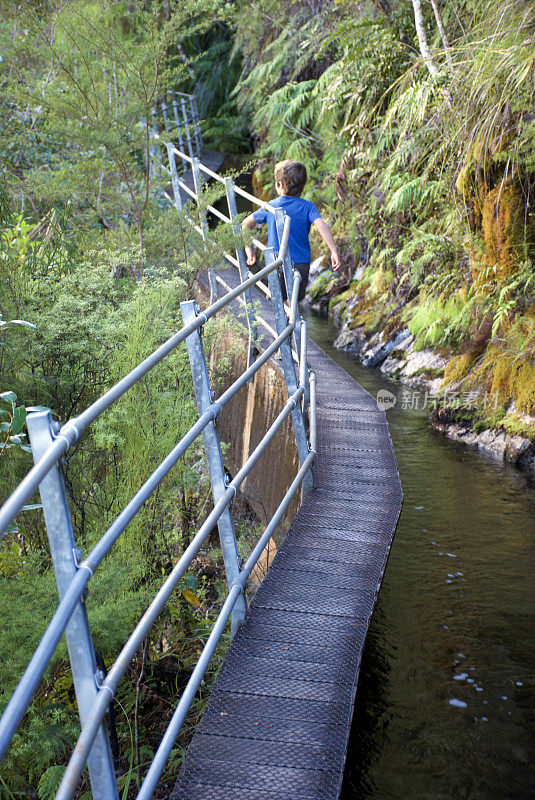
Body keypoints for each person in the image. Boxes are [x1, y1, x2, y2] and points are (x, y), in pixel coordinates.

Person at [241, 160, 340, 302]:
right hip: (301, 264)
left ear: (279, 184)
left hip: (277, 262)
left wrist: (248, 249)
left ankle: (281, 321)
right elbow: (321, 225)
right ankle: (291, 321)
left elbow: (245, 224)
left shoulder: (271, 207)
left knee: (275, 300)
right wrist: (333, 250)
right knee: (292, 303)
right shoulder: (308, 207)